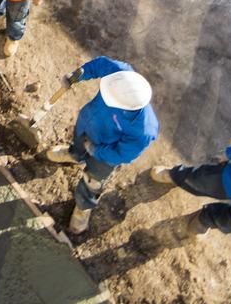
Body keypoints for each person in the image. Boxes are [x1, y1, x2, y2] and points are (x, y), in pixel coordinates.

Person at [44, 56, 158, 235]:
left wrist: (97, 151)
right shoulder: (122, 74)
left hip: (105, 154)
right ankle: (75, 155)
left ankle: (83, 206)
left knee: (93, 180)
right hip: (87, 124)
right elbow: (99, 65)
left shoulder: (144, 129)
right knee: (78, 144)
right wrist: (77, 75)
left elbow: (123, 154)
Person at [149, 136, 231, 240]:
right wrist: (230, 154)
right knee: (199, 179)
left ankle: (203, 221)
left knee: (228, 220)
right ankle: (175, 175)